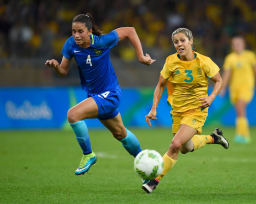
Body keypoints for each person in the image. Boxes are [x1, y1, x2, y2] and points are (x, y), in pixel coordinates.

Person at [45, 13, 155, 175]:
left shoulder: (102, 41)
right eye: (74, 31)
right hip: (96, 97)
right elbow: (64, 70)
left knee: (73, 115)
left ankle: (88, 155)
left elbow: (130, 31)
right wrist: (56, 66)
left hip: (110, 94)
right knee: (120, 133)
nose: (76, 35)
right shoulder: (70, 45)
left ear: (89, 31)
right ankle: (147, 166)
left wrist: (140, 56)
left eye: (80, 31)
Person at [142, 28, 229, 193]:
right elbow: (160, 84)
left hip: (197, 111)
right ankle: (213, 138)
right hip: (177, 112)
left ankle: (154, 179)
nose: (179, 44)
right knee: (185, 148)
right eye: (176, 42)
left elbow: (218, 80)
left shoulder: (204, 61)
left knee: (175, 145)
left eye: (182, 40)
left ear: (191, 41)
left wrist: (210, 98)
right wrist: (153, 108)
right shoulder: (171, 61)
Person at [220, 36, 256, 144]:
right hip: (234, 88)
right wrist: (222, 88)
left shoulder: (250, 56)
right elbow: (227, 74)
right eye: (235, 44)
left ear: (243, 45)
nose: (237, 46)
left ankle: (244, 135)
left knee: (240, 106)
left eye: (239, 44)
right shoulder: (230, 58)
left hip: (246, 87)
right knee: (239, 111)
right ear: (232, 46)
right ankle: (241, 134)